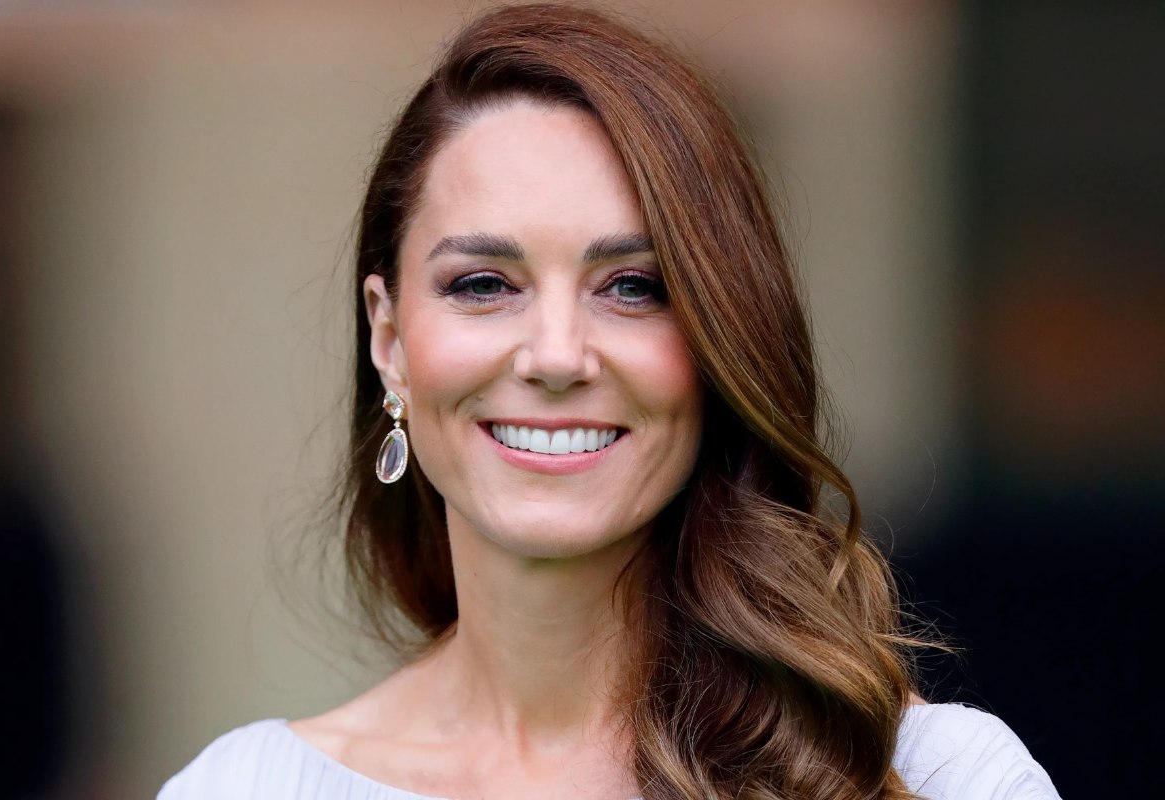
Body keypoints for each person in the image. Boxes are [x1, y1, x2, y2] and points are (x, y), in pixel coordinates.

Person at [159, 4, 1060, 799]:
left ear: (720, 339)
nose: (556, 356)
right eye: (483, 284)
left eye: (632, 287)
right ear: (389, 340)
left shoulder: (936, 782)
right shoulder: (240, 789)